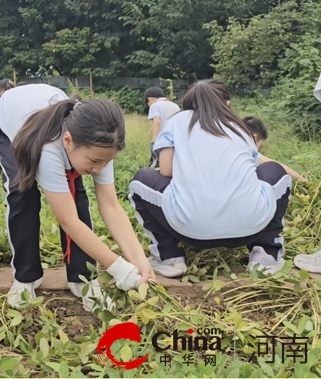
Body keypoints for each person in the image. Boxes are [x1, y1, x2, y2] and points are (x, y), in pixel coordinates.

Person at [0, 83, 152, 313]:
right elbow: (68, 221)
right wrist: (117, 267)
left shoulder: (103, 140)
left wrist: (138, 258)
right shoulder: (50, 148)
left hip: (60, 134)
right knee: (22, 194)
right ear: (68, 141)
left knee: (77, 196)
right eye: (95, 161)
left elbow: (111, 205)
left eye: (105, 162)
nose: (99, 168)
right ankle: (26, 277)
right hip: (11, 126)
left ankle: (83, 278)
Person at [129, 80, 292, 278]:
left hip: (188, 231)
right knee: (275, 171)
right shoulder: (239, 126)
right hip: (249, 229)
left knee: (141, 180)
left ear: (188, 103)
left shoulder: (176, 122)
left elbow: (165, 170)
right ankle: (266, 254)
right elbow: (253, 166)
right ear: (226, 103)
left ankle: (169, 257)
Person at [242, 116, 307, 183]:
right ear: (254, 138)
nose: (258, 150)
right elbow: (275, 165)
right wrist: (304, 181)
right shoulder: (247, 152)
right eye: (260, 146)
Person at [143, 87, 181, 168]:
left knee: (156, 165)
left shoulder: (155, 106)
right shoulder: (175, 105)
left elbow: (157, 122)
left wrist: (153, 142)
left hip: (162, 142)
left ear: (149, 99)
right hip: (176, 141)